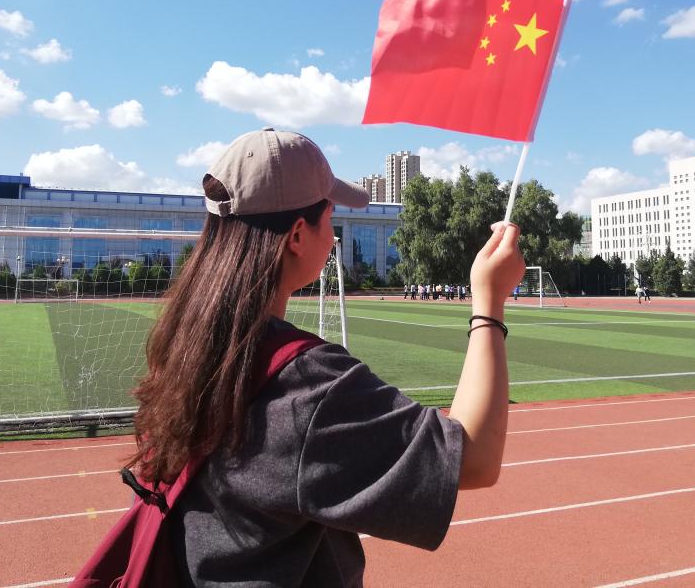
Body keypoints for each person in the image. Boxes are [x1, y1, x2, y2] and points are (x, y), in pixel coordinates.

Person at [128, 128, 524, 587]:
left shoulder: (184, 348)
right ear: (298, 234)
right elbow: (474, 458)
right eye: (330, 216)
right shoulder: (306, 385)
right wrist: (489, 302)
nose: (333, 233)